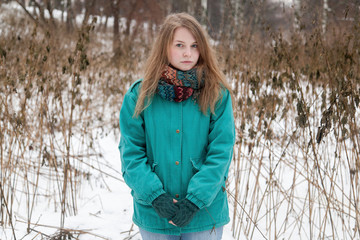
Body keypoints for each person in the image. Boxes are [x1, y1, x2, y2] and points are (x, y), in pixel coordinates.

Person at [118, 12, 235, 240]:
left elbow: (221, 153)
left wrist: (194, 201)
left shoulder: (217, 95)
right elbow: (131, 154)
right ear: (165, 47)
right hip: (154, 215)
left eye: (194, 45)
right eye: (179, 45)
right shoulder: (139, 96)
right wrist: (156, 196)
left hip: (204, 213)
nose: (188, 53)